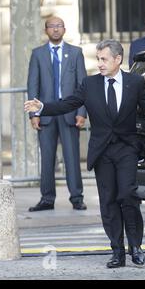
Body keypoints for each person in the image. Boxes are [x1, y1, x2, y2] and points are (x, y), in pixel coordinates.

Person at [24, 39, 145, 269]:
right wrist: (43, 108)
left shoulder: (135, 82)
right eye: (98, 59)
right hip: (102, 151)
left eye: (104, 59)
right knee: (109, 201)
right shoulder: (90, 84)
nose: (99, 64)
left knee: (128, 195)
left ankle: (135, 246)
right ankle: (117, 252)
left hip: (127, 149)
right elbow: (69, 103)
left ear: (118, 59)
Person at [27, 16, 87, 212]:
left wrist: (81, 112)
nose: (55, 29)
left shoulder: (76, 53)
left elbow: (82, 85)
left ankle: (77, 197)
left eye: (59, 26)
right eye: (51, 26)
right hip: (45, 114)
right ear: (46, 30)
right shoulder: (37, 54)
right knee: (47, 158)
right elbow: (33, 85)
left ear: (64, 29)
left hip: (69, 112)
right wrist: (33, 114)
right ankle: (47, 199)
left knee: (72, 157)